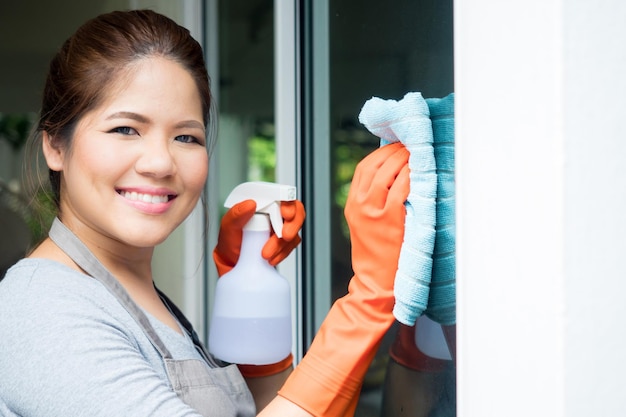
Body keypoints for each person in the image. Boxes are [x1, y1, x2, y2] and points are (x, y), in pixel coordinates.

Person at [0, 9, 410, 417]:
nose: (160, 163)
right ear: (55, 146)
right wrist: (365, 304)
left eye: (185, 136)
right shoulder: (40, 306)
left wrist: (251, 316)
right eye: (125, 129)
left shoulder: (143, 303)